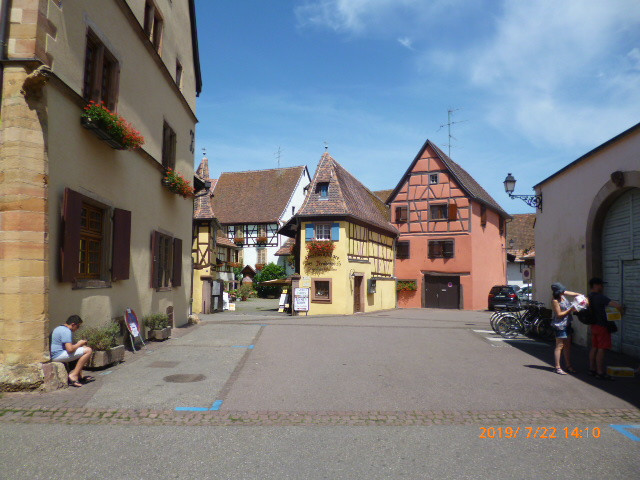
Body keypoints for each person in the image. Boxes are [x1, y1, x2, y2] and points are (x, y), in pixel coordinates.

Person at [588, 277, 623, 380]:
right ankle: (600, 372)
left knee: (594, 347)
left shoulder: (589, 296)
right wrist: (620, 311)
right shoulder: (600, 297)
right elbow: (616, 305)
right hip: (602, 326)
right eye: (600, 285)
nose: (602, 287)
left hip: (593, 326)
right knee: (601, 349)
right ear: (595, 285)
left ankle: (592, 369)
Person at [50, 315, 94, 387]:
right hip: (58, 355)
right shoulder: (66, 331)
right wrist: (79, 343)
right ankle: (74, 375)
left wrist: (79, 345)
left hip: (55, 354)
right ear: (73, 324)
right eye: (78, 326)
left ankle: (79, 376)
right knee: (88, 350)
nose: (77, 329)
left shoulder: (59, 328)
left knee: (82, 349)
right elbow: (70, 349)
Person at [550, 283, 582, 375]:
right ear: (557, 292)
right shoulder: (555, 300)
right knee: (559, 346)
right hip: (560, 325)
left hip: (567, 324)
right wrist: (570, 309)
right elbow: (559, 315)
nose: (564, 292)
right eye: (562, 291)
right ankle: (557, 367)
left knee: (567, 345)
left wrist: (579, 296)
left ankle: (568, 366)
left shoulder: (563, 295)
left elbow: (572, 293)